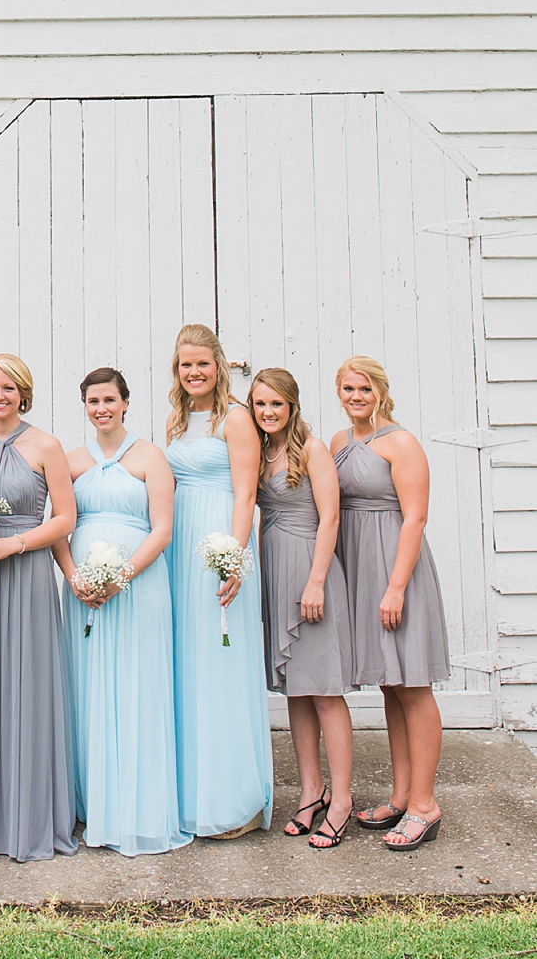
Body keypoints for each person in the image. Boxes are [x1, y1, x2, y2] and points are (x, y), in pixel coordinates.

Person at [53, 366, 188, 856]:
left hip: (139, 590)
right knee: (87, 690)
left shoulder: (151, 456)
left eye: (109, 399)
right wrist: (74, 577)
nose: (102, 408)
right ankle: (92, 803)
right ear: (85, 407)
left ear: (126, 402)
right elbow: (59, 529)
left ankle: (136, 807)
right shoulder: (69, 461)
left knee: (136, 686)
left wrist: (122, 576)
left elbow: (162, 530)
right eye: (93, 402)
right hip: (83, 594)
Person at [0, 354, 77, 862]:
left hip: (25, 575)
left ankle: (31, 815)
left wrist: (18, 544)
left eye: (8, 387)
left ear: (23, 392)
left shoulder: (46, 445)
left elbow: (65, 519)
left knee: (28, 687)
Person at [332, 354, 450, 852]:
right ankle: (401, 795)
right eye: (347, 389)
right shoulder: (339, 443)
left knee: (415, 685)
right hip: (359, 569)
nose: (356, 397)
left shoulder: (401, 443)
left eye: (364, 389)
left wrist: (396, 586)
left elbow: (416, 519)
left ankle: (425, 804)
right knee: (391, 684)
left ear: (381, 390)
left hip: (395, 570)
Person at [164, 323, 273, 838]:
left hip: (219, 546)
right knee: (186, 665)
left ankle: (234, 800)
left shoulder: (236, 420)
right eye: (186, 365)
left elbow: (246, 495)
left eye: (202, 364)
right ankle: (191, 793)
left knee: (220, 663)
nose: (194, 373)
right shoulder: (174, 421)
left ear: (219, 366)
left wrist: (233, 557)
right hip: (178, 548)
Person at [249, 368, 354, 850]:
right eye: (259, 404)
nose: (267, 412)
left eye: (276, 404)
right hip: (274, 569)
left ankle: (342, 800)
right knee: (296, 689)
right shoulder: (260, 449)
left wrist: (316, 582)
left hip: (311, 570)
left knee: (325, 690)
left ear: (292, 405)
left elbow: (330, 515)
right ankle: (311, 791)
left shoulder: (311, 448)